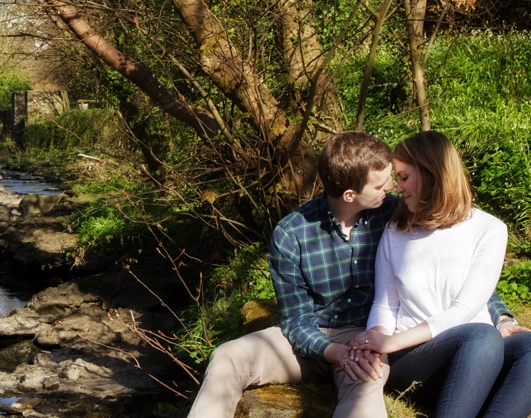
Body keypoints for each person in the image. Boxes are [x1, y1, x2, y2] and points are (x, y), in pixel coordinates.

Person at [185, 131, 515, 418]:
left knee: (364, 397)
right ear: (349, 195)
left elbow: (460, 271)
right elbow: (296, 320)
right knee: (227, 355)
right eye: (382, 182)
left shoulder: (395, 214)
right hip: (312, 338)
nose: (392, 186)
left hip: (369, 334)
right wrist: (336, 352)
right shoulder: (293, 233)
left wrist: (500, 316)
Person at [347, 130, 531, 418]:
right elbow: (385, 303)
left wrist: (504, 319)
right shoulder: (397, 231)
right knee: (482, 337)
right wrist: (380, 343)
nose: (398, 188)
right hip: (416, 355)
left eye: (404, 177)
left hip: (482, 348)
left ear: (431, 174)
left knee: (525, 346)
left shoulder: (490, 230)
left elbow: (466, 308)